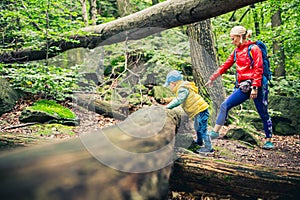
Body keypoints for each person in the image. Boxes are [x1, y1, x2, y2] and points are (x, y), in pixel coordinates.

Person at [205, 25, 274, 149]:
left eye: (233, 39)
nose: (232, 42)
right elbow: (225, 66)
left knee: (263, 112)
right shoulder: (236, 51)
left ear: (240, 36)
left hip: (258, 85)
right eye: (231, 39)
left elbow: (259, 68)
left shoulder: (254, 49)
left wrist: (255, 87)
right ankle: (215, 132)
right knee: (225, 105)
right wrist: (212, 78)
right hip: (243, 87)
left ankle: (268, 139)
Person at [164, 70, 213, 153]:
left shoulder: (182, 89)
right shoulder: (182, 87)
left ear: (173, 83)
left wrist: (168, 107)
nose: (170, 87)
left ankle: (209, 148)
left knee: (202, 129)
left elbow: (179, 100)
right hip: (199, 110)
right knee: (197, 127)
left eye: (169, 84)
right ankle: (199, 142)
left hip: (201, 110)